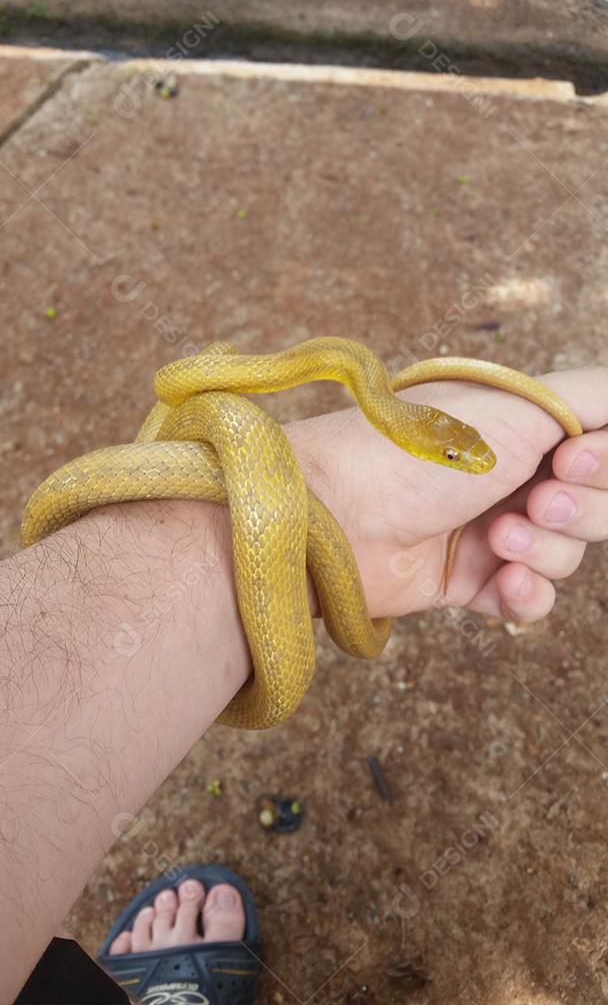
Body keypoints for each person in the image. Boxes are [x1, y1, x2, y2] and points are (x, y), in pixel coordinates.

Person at [4, 364, 608, 1003]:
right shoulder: (326, 389)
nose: (466, 461)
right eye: (454, 454)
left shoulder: (346, 392)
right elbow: (177, 382)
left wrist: (327, 500)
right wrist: (318, 493)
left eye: (454, 451)